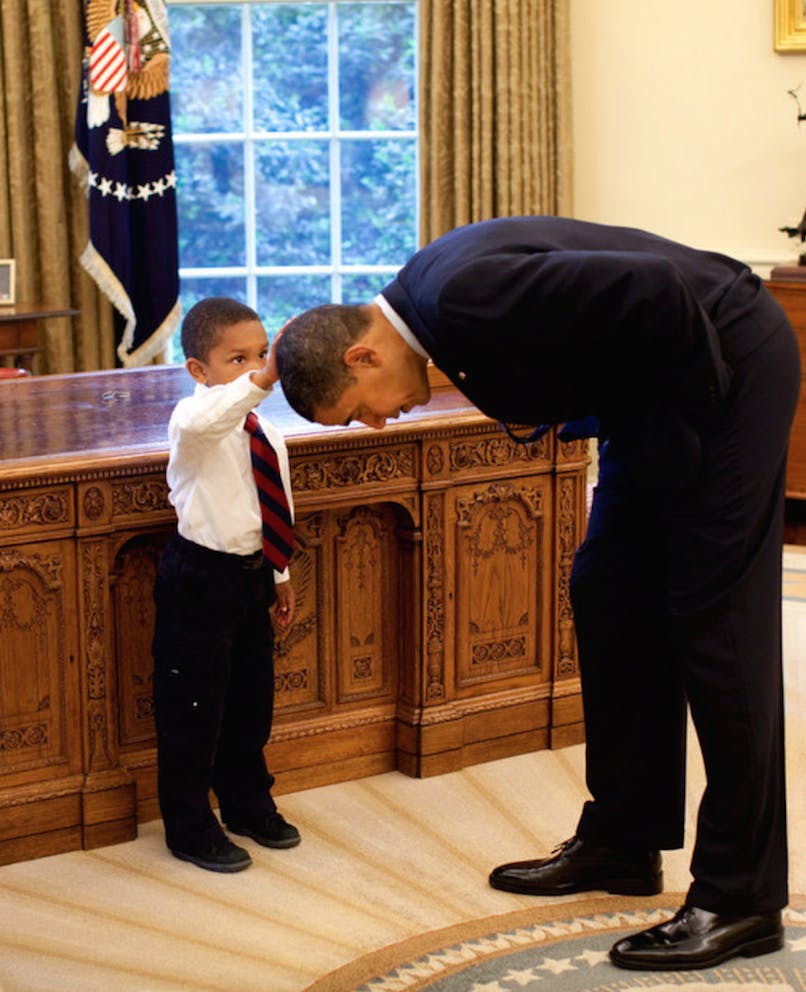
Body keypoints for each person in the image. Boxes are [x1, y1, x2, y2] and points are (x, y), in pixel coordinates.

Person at [275, 215, 798, 969]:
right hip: (657, 395)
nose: (377, 420)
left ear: (362, 354)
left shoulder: (461, 296)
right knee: (609, 590)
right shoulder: (435, 307)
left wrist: (698, 427)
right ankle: (623, 840)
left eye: (359, 407)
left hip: (725, 368)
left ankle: (741, 898)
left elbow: (660, 288)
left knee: (717, 625)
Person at [152, 297, 300, 873]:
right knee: (193, 708)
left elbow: (273, 501)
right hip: (199, 579)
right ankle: (189, 826)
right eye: (236, 358)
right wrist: (263, 378)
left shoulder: (264, 429)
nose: (254, 367)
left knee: (249, 701)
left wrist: (280, 574)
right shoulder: (192, 423)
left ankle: (247, 803)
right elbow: (211, 416)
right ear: (199, 370)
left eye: (261, 354)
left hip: (251, 578)